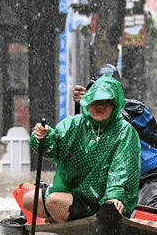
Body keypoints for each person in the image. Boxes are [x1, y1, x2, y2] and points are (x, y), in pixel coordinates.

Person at [26, 75, 142, 222]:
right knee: (29, 199)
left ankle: (69, 221)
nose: (99, 107)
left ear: (115, 105)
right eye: (95, 102)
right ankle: (60, 220)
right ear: (87, 103)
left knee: (55, 202)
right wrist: (42, 136)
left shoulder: (124, 131)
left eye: (106, 103)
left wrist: (115, 197)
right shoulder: (73, 124)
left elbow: (122, 170)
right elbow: (52, 149)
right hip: (73, 193)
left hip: (100, 201)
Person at [71, 66, 157, 209]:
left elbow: (120, 122)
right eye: (96, 93)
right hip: (122, 180)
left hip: (155, 177)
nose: (100, 101)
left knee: (146, 211)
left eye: (105, 95)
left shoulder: (136, 109)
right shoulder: (89, 119)